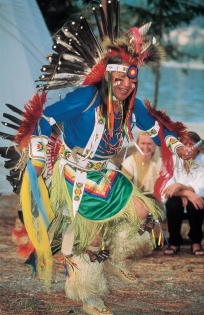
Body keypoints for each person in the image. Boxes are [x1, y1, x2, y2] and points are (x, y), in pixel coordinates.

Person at [0, 2, 193, 315]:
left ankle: (114, 257)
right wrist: (36, 157)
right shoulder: (85, 98)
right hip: (74, 175)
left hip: (105, 172)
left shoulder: (130, 104)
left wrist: (178, 146)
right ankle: (86, 293)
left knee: (143, 214)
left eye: (132, 82)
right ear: (109, 76)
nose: (126, 86)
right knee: (86, 242)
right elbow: (46, 117)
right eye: (120, 80)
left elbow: (155, 127)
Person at [162, 131, 204, 256]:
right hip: (176, 198)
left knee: (196, 202)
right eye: (183, 144)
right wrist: (187, 193)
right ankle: (174, 242)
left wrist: (179, 186)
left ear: (198, 147)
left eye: (190, 144)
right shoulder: (170, 160)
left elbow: (201, 187)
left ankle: (196, 241)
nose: (187, 148)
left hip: (198, 198)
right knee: (173, 203)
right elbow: (166, 188)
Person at [121, 131, 163, 210]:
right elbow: (125, 190)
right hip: (134, 199)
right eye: (143, 143)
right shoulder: (128, 164)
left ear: (155, 145)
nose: (146, 147)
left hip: (155, 200)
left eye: (149, 144)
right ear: (137, 144)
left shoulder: (160, 163)